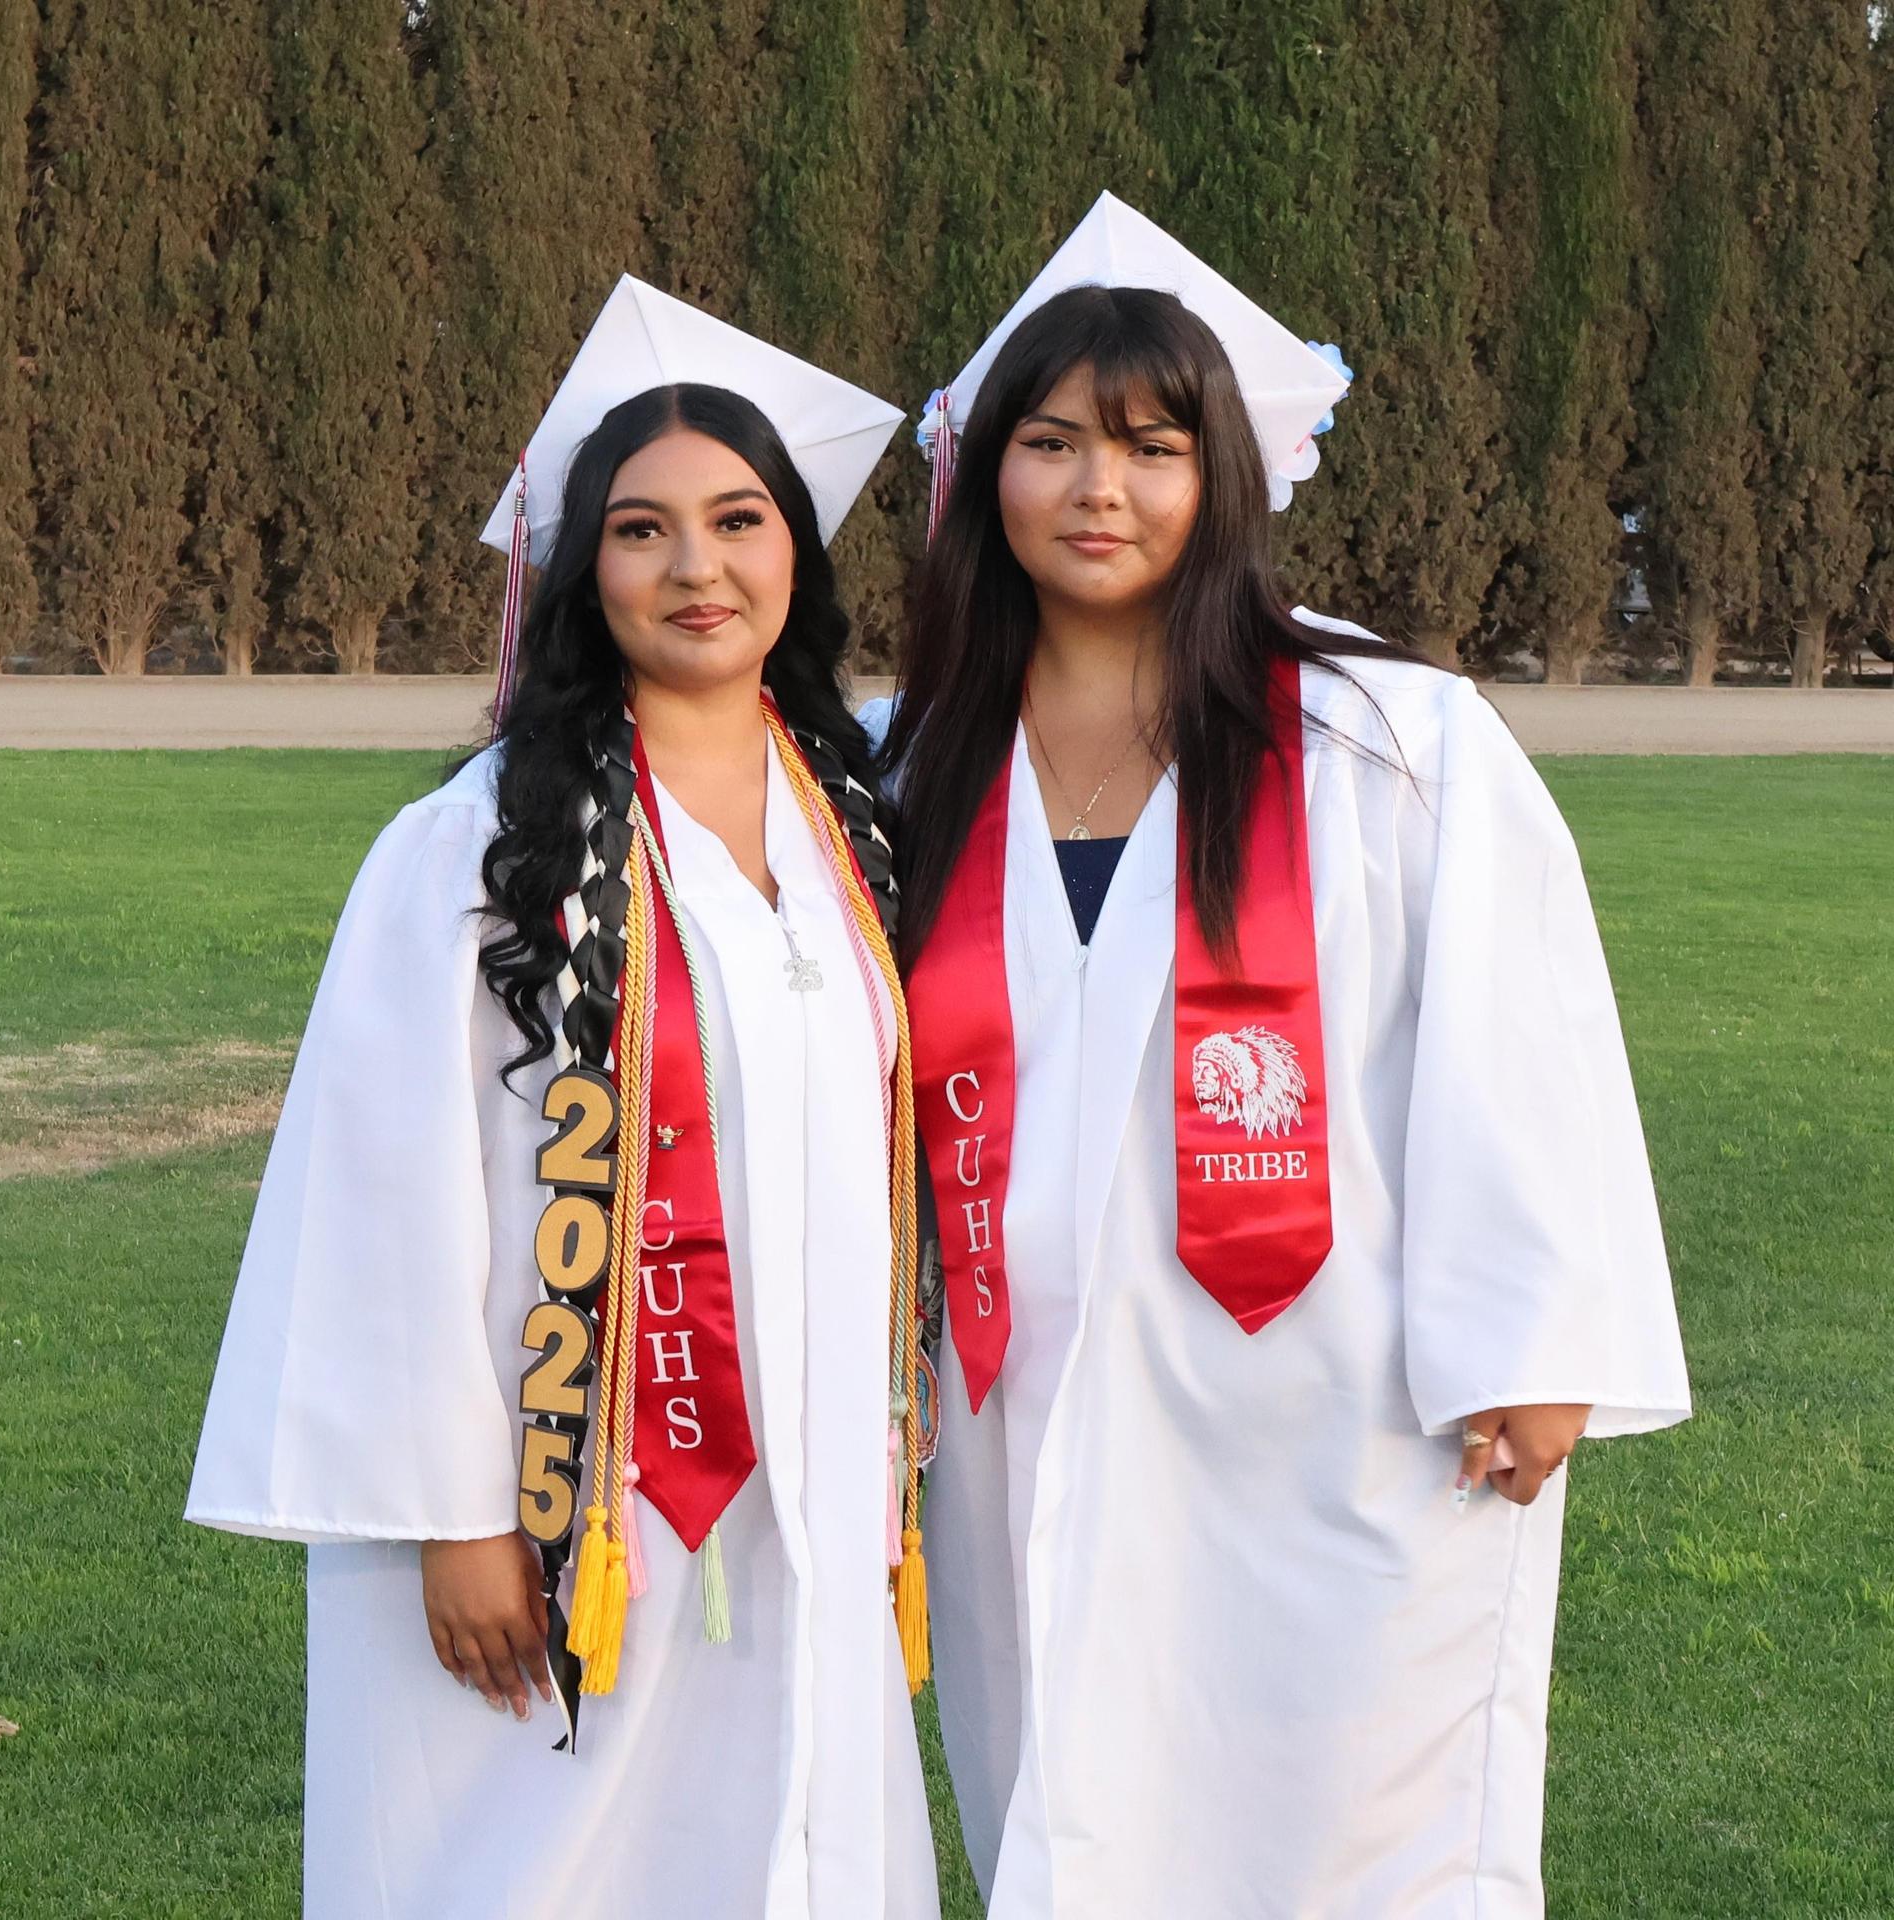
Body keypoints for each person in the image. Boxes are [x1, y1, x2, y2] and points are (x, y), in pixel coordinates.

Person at [874, 193, 1691, 1919]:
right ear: (985, 481)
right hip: (1019, 1405)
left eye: (1152, 447)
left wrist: (1533, 1338)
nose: (1100, 491)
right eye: (1050, 445)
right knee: (1067, 1797)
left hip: (1335, 1397)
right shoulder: (918, 760)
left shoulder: (1385, 736)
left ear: (1219, 478)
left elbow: (1514, 1034)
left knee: (1347, 1822)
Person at [188, 277, 940, 1920]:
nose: (697, 568)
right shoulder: (475, 855)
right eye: (641, 531)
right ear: (583, 573)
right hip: (564, 1490)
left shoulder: (850, 832)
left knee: (789, 1829)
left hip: (798, 1467)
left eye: (738, 520)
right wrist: (452, 1521)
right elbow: (383, 1195)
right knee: (546, 1859)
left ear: (795, 551)